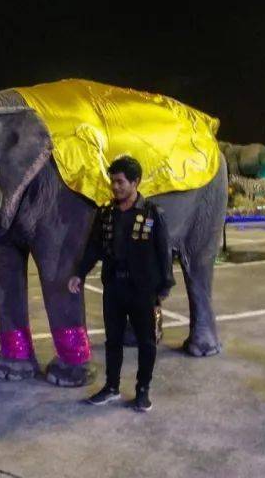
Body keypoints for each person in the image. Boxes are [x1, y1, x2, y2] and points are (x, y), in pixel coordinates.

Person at [68, 156, 175, 412]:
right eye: (112, 181)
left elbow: (164, 251)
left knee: (147, 342)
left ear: (135, 182)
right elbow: (93, 247)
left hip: (142, 290)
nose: (115, 187)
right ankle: (112, 387)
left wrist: (164, 285)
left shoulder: (152, 214)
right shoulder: (106, 214)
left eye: (120, 181)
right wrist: (79, 274)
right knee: (112, 341)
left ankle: (142, 390)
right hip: (114, 288)